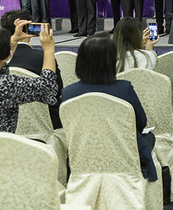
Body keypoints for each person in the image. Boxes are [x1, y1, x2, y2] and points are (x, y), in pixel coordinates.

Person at [62, 35, 157, 183]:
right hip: (122, 155)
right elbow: (141, 123)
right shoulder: (124, 89)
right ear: (111, 61)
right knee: (149, 137)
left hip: (84, 155)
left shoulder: (68, 93)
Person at [0, 10, 63, 129]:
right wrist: (49, 49)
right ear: (27, 28)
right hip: (46, 125)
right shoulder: (44, 58)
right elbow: (56, 91)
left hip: (5, 124)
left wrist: (13, 39)